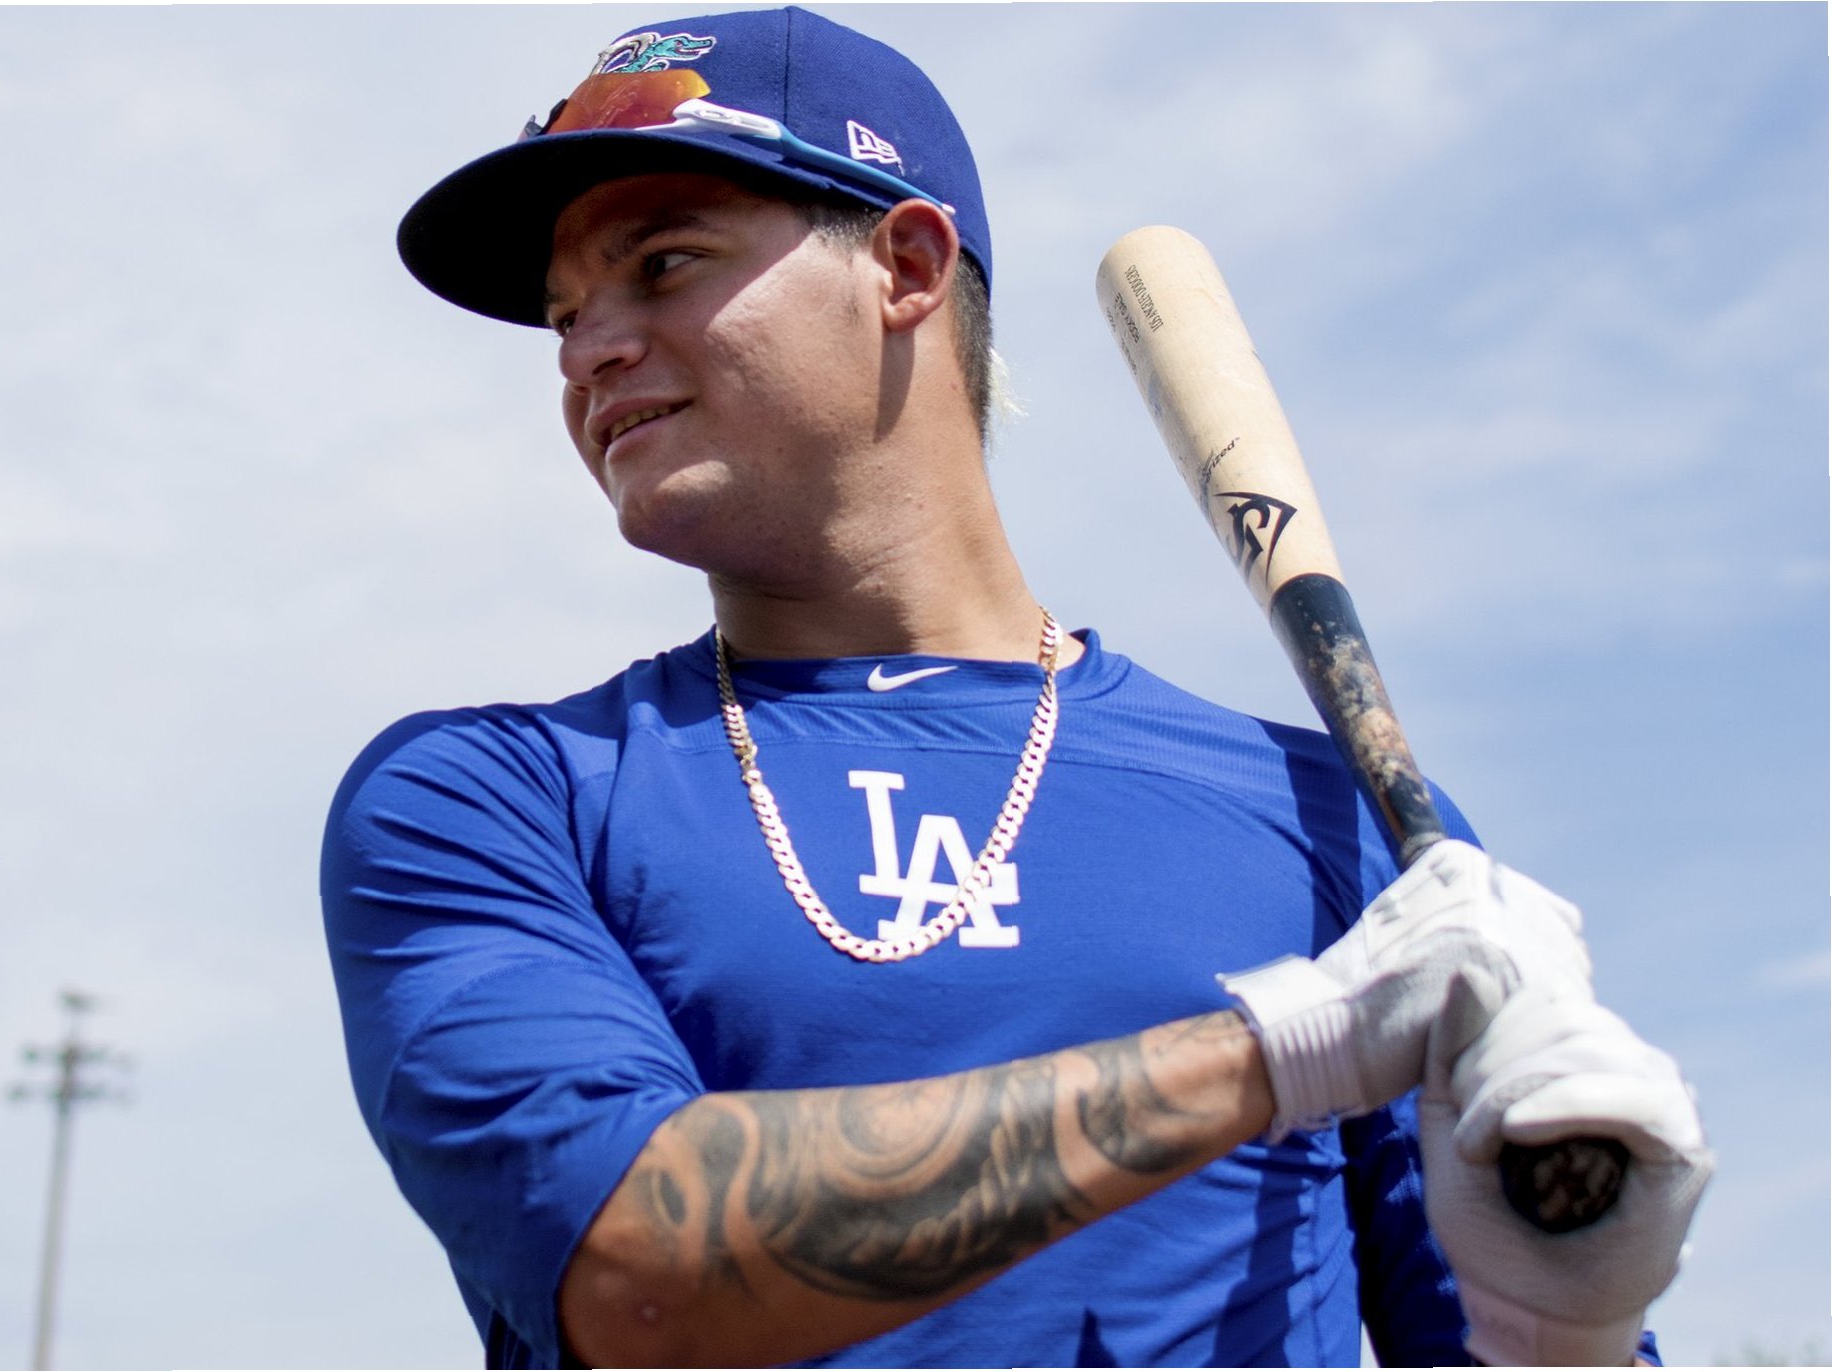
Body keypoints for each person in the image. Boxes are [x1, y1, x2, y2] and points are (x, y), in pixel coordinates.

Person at [321, 8, 1710, 1367]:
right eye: (565, 315)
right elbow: (638, 1275)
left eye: (664, 265)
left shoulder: (1335, 823)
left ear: (906, 265)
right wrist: (1287, 1048)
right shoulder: (493, 797)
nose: (587, 351)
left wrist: (1562, 1333)